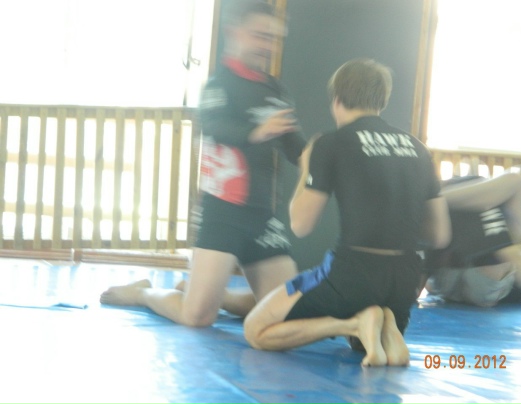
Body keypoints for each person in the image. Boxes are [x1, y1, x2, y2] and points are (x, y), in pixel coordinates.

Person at [100, 0, 306, 327]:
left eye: (273, 39)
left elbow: (296, 148)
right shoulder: (218, 85)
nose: (267, 45)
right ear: (234, 33)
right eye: (260, 36)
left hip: (262, 218)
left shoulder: (275, 91)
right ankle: (143, 292)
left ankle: (213, 294)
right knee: (197, 317)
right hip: (223, 214)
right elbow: (214, 127)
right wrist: (257, 131)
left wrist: (323, 158)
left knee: (287, 313)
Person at [243, 58, 451, 366]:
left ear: (337, 100)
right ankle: (384, 327)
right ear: (382, 101)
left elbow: (300, 225)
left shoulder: (331, 143)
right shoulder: (417, 148)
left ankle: (351, 324)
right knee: (361, 345)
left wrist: (307, 166)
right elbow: (440, 234)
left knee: (256, 330)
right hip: (405, 281)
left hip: (353, 273)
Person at [424, 169, 521, 307]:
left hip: (447, 280)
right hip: (472, 279)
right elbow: (519, 246)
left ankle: (432, 198)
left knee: (514, 180)